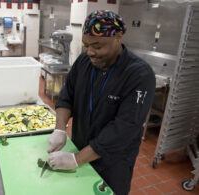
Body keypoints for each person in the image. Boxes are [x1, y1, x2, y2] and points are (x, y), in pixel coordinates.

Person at [46, 10, 156, 195]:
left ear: (118, 37)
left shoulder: (139, 75)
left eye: (97, 46)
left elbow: (124, 129)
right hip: (80, 148)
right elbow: (67, 95)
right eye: (86, 45)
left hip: (113, 163)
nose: (90, 51)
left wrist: (77, 159)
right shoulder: (83, 62)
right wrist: (60, 128)